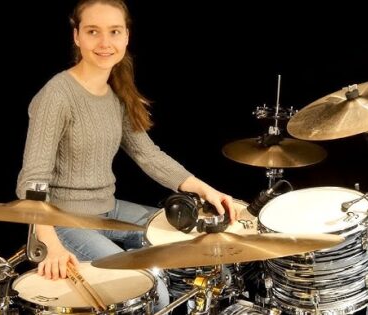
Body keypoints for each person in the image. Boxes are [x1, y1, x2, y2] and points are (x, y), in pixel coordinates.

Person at [15, 0, 238, 310]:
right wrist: (51, 245)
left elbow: (149, 156)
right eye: (93, 31)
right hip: (65, 221)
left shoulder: (115, 95)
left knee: (192, 246)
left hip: (110, 209)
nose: (105, 43)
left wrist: (206, 189)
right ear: (76, 36)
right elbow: (32, 180)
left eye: (114, 31)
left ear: (126, 37)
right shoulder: (57, 95)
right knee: (150, 288)